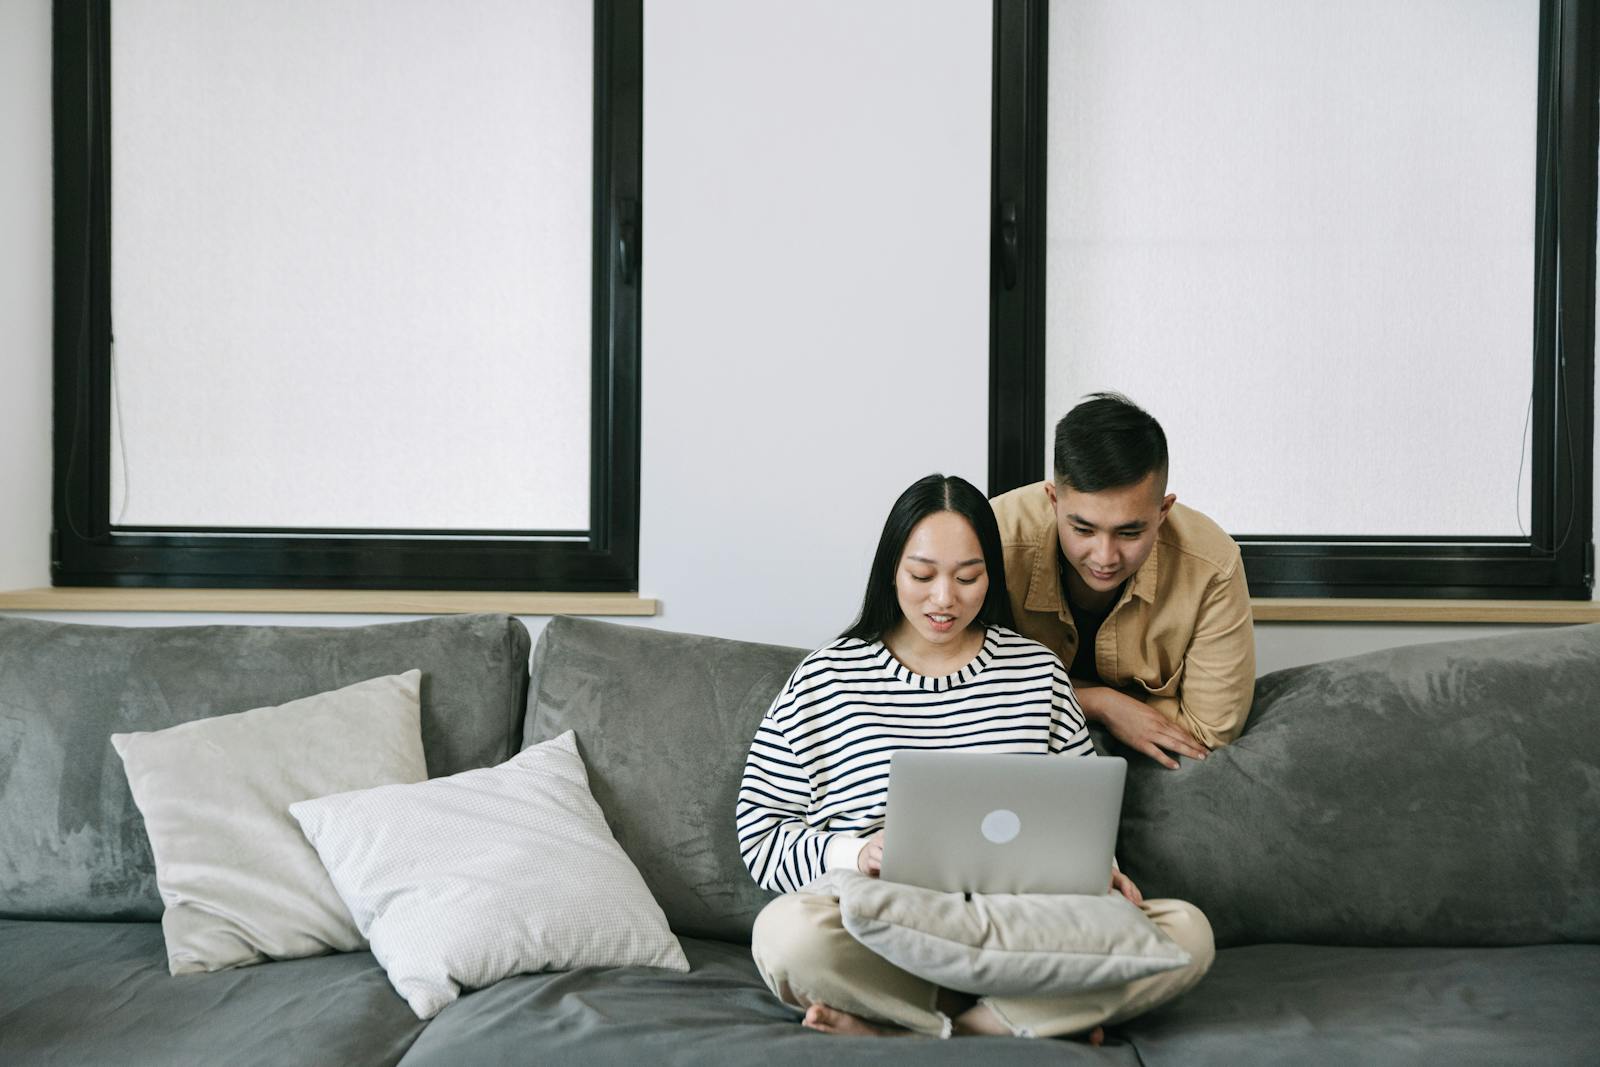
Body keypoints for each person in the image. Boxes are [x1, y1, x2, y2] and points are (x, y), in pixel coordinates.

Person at [737, 473, 1213, 1040]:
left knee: (1186, 932)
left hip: (1023, 930)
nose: (944, 599)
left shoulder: (1037, 673)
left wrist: (1101, 872)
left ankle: (924, 1031)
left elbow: (1081, 819)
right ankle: (1022, 1021)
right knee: (787, 935)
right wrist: (855, 851)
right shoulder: (825, 680)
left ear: (992, 574)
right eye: (922, 575)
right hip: (886, 931)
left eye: (968, 577)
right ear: (891, 569)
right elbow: (760, 838)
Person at [991, 394, 1254, 769]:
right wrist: (1102, 704)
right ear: (1053, 499)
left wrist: (1041, 696)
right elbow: (958, 688)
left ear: (1163, 510)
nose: (1105, 557)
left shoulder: (1213, 564)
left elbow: (1210, 733)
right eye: (1083, 529)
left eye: (1129, 533)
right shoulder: (992, 539)